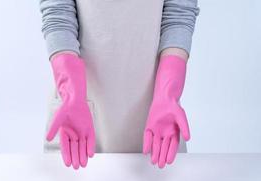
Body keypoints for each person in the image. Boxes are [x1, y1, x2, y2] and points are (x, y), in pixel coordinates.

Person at [39, 0, 199, 170]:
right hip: (76, 124)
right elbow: (58, 14)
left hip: (159, 126)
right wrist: (72, 92)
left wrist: (167, 94)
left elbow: (179, 16)